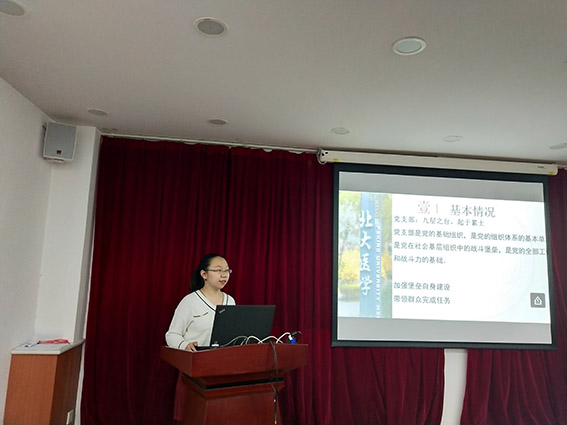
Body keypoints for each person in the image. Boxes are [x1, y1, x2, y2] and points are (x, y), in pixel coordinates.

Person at [165, 253, 236, 352]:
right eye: (218, 270)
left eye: (226, 270)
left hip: (222, 359)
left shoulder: (230, 301)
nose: (224, 275)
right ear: (204, 274)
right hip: (195, 358)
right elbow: (172, 335)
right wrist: (184, 345)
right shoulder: (190, 301)